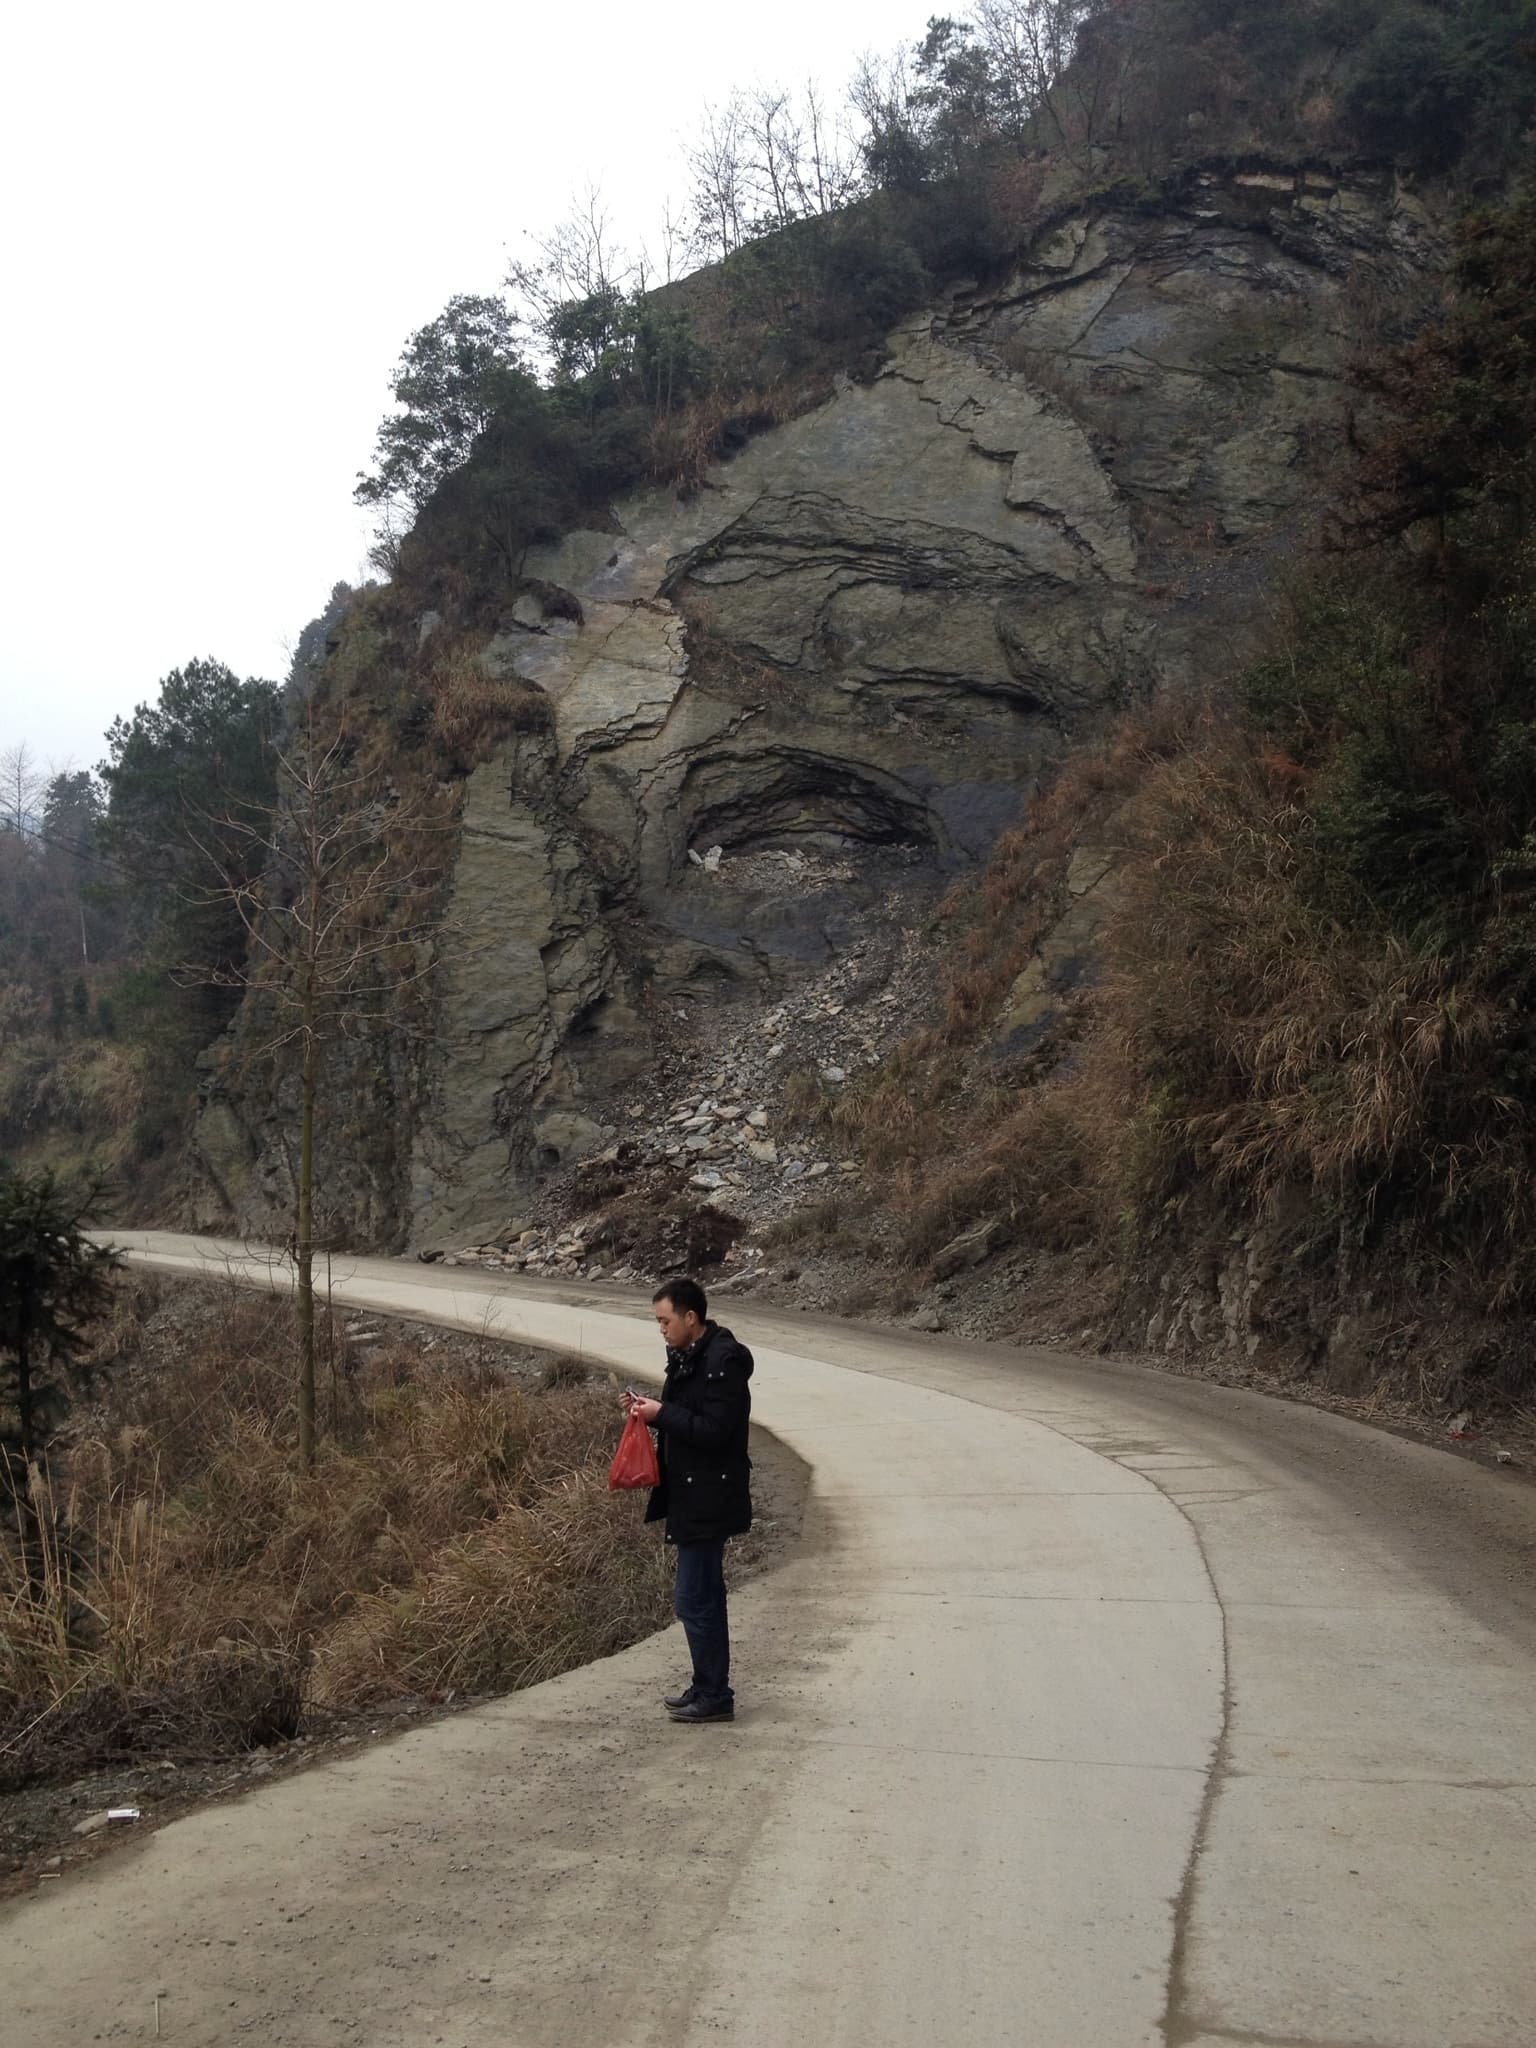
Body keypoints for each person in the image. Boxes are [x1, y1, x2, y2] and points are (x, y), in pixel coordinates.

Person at [623, 1277, 753, 1724]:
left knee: (694, 1599)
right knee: (704, 1597)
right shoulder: (691, 1356)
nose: (661, 1329)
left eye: (665, 1321)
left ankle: (715, 1694)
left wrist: (662, 1414)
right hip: (694, 1492)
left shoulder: (721, 1362)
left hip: (710, 1495)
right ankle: (707, 1687)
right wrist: (650, 1409)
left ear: (690, 1318)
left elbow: (715, 1431)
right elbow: (690, 1415)